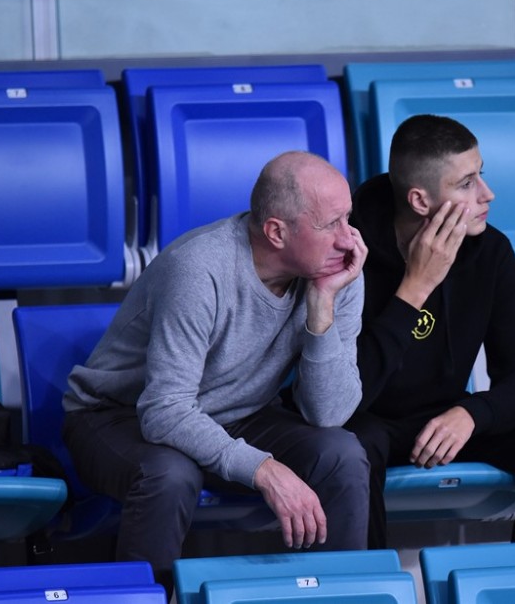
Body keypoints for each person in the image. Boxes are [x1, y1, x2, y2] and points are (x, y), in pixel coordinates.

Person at [62, 151, 370, 594]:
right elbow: (164, 411)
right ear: (276, 232)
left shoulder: (337, 271)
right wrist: (264, 468)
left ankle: (342, 597)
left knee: (342, 454)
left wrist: (321, 309)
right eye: (331, 224)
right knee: (170, 476)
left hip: (235, 413)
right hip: (116, 416)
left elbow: (329, 414)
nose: (349, 239)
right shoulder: (199, 268)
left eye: (348, 218)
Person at [348, 113, 515, 548]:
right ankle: (371, 581)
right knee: (353, 446)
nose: (487, 193)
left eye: (481, 174)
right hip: (370, 424)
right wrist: (416, 287)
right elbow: (348, 394)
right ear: (420, 201)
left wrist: (472, 414)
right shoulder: (350, 251)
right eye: (466, 184)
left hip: (448, 421)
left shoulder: (490, 251)